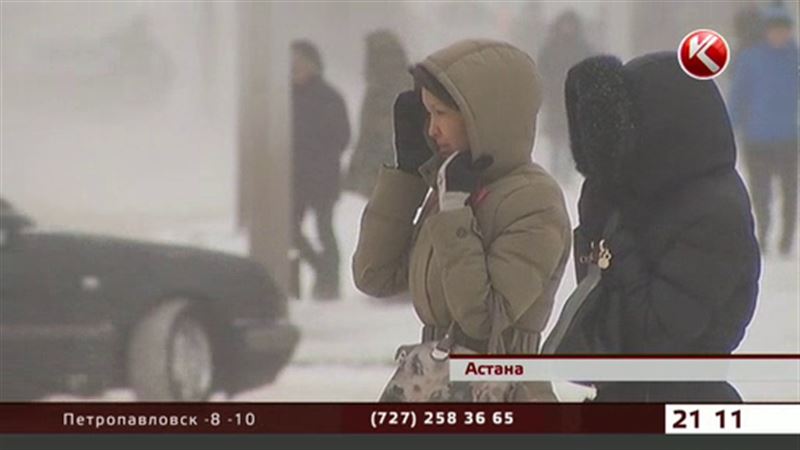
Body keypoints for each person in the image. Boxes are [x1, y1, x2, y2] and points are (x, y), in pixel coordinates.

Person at [352, 39, 571, 401]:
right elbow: (374, 275)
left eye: (442, 114)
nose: (431, 130)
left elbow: (485, 321)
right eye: (428, 115)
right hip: (436, 389)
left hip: (502, 394)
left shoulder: (533, 201)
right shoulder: (452, 185)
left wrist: (455, 212)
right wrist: (407, 178)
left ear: (484, 117)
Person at [555, 52, 761, 402]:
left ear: (664, 124)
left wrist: (615, 242)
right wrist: (598, 213)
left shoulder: (714, 211)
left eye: (627, 124)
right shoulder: (641, 193)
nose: (619, 141)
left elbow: (658, 335)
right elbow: (602, 315)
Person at [729, 3, 798, 256]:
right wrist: (728, 128)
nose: (779, 35)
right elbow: (738, 96)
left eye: (783, 30)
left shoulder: (795, 58)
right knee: (761, 191)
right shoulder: (750, 59)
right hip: (757, 137)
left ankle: (786, 239)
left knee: (790, 191)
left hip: (789, 137)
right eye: (774, 29)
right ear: (766, 31)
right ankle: (765, 233)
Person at [290, 40, 350, 300]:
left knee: (325, 230)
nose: (295, 67)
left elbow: (343, 136)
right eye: (292, 63)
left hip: (323, 176)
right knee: (288, 230)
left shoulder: (329, 97)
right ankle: (320, 269)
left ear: (314, 65)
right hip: (294, 178)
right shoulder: (284, 97)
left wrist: (319, 152)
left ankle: (330, 284)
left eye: (300, 62)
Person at [344, 30, 412, 198]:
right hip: (377, 165)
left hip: (396, 167)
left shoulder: (405, 85)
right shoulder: (374, 89)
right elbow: (365, 132)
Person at [537, 10, 594, 185]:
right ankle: (556, 169)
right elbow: (542, 69)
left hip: (575, 98)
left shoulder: (582, 47)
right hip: (556, 98)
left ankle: (567, 171)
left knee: (572, 135)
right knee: (556, 136)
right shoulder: (551, 47)